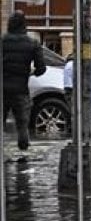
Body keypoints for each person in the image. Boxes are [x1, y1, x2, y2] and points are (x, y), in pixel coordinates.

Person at [2, 11, 47, 151]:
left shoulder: (2, 41)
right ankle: (23, 152)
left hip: (2, 89)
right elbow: (41, 69)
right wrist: (30, 72)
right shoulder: (32, 43)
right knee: (22, 124)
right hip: (21, 90)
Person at [63, 43, 91, 150]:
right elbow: (68, 93)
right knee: (87, 145)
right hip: (85, 116)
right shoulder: (71, 66)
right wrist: (77, 114)